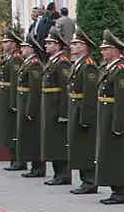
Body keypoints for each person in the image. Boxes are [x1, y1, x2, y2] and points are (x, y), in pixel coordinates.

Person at [96, 29, 124, 204]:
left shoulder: (121, 71)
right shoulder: (110, 68)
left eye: (106, 49)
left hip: (115, 117)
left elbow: (122, 101)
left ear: (115, 50)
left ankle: (121, 192)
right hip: (107, 115)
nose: (103, 52)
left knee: (118, 155)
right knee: (110, 154)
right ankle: (115, 189)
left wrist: (118, 124)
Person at [68, 26, 98, 195]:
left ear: (84, 46)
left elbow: (89, 93)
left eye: (76, 44)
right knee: (78, 146)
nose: (72, 46)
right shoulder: (78, 64)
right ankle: (84, 180)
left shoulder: (89, 66)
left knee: (85, 146)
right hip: (75, 107)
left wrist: (86, 117)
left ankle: (90, 181)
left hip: (83, 110)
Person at [41, 27, 71, 185]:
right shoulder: (52, 61)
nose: (46, 45)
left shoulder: (62, 63)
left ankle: (64, 173)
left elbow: (65, 89)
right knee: (52, 140)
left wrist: (64, 112)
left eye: (50, 43)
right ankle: (58, 173)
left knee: (58, 141)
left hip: (57, 107)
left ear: (58, 45)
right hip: (49, 105)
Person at [0, 28, 27, 171]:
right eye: (4, 42)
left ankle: (19, 160)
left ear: (15, 44)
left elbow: (15, 82)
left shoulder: (15, 59)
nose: (5, 44)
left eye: (8, 42)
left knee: (14, 129)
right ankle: (13, 158)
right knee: (9, 129)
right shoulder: (8, 58)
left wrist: (14, 102)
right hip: (5, 97)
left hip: (11, 98)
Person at [17, 33, 46, 177]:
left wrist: (31, 108)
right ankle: (34, 166)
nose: (22, 49)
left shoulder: (35, 65)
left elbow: (35, 89)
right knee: (28, 136)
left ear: (32, 49)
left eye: (25, 47)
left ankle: (38, 166)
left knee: (34, 136)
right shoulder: (28, 62)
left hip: (31, 103)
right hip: (24, 101)